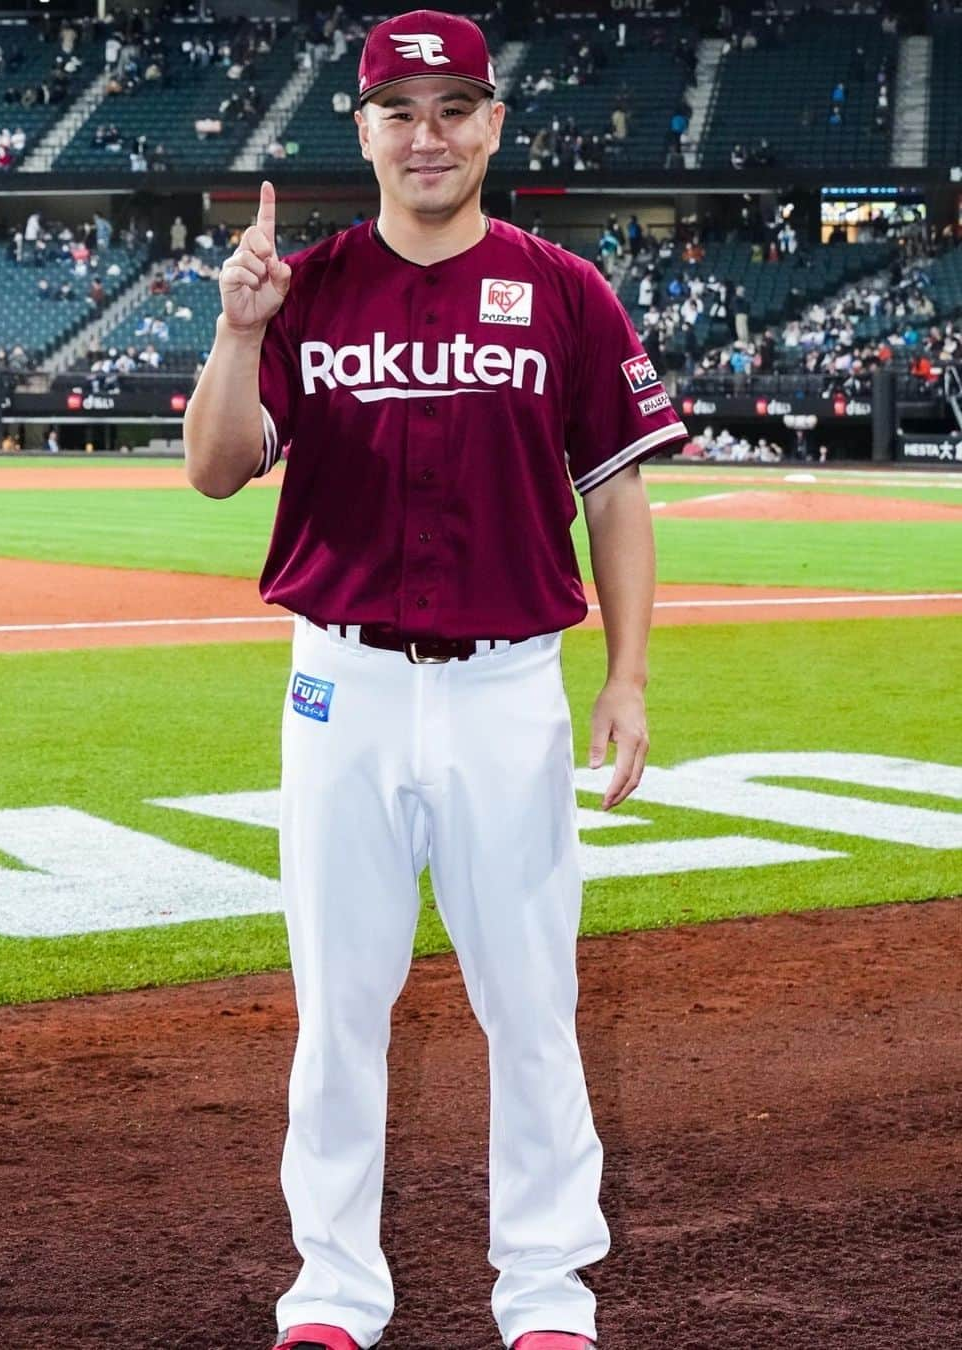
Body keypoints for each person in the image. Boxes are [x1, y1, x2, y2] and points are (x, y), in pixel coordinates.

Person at [183, 11, 687, 1350]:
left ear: (494, 126)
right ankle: (333, 1291)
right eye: (400, 110)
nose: (428, 134)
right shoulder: (311, 287)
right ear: (363, 130)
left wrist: (627, 676)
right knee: (337, 1004)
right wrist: (238, 335)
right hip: (338, 687)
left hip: (505, 688)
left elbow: (617, 497)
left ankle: (545, 1290)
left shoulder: (566, 292)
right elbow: (217, 468)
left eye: (454, 106)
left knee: (530, 999)